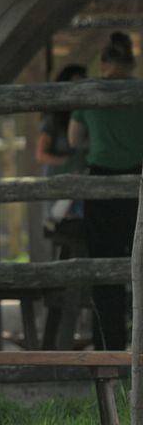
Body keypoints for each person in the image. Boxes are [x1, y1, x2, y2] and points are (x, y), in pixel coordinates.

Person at [69, 32, 143, 350]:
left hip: (100, 183)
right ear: (131, 62)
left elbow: (74, 139)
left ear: (103, 63)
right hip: (138, 181)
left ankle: (109, 347)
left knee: (104, 265)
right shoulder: (139, 91)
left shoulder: (90, 91)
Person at [37, 64, 87, 226]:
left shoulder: (85, 115)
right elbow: (41, 154)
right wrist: (67, 162)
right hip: (58, 177)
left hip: (80, 179)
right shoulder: (54, 119)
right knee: (58, 223)